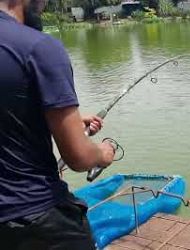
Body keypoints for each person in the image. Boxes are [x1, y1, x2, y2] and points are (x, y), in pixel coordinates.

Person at [0, 0, 116, 249]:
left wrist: (64, 120)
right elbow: (78, 157)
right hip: (35, 219)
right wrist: (102, 154)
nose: (44, 6)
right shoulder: (39, 47)